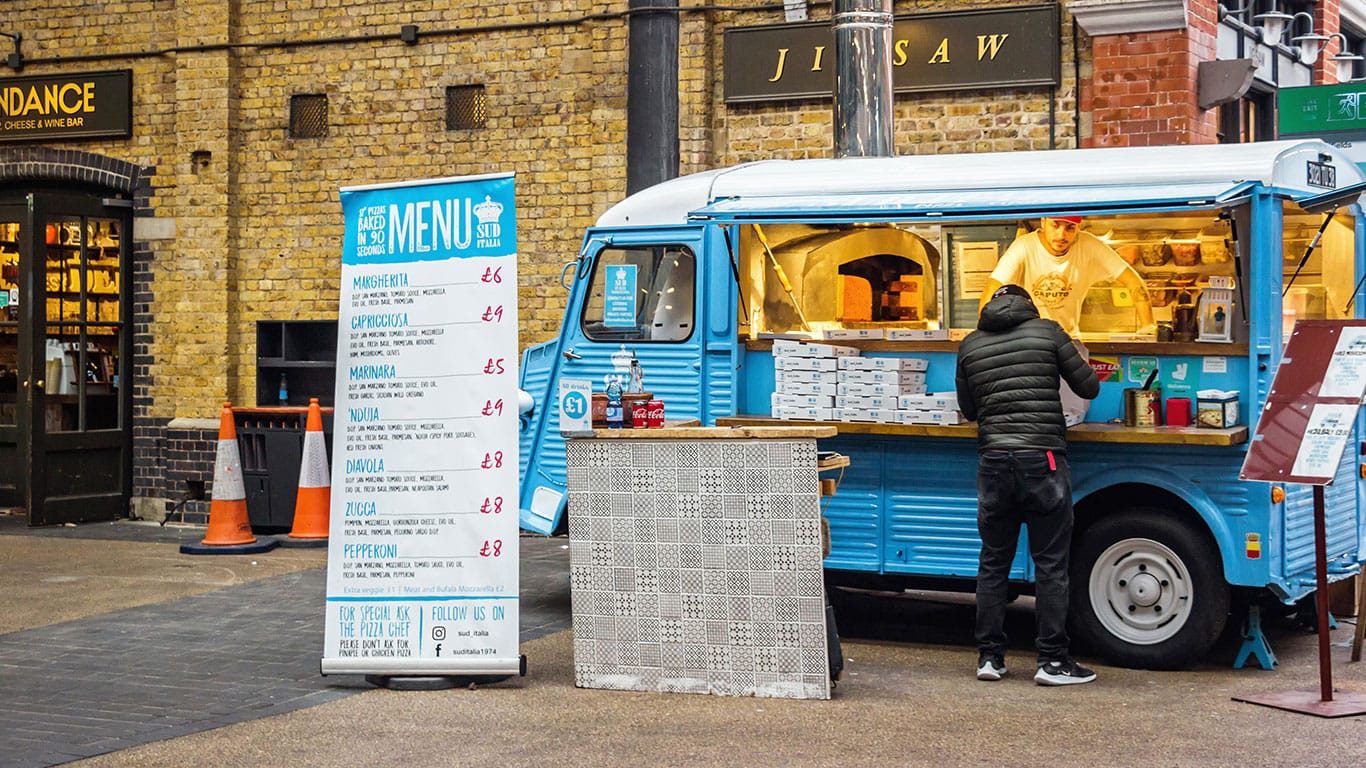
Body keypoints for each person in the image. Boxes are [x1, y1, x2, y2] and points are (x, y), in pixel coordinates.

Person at [955, 284, 1101, 686]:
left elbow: (968, 409)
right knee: (1051, 564)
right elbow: (1089, 386)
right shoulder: (1049, 331)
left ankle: (990, 658)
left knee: (993, 561)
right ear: (1028, 306)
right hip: (1044, 460)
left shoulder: (970, 344)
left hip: (994, 462)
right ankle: (1052, 662)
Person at [979, 216, 1154, 339]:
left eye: (1070, 228)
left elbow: (1132, 281)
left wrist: (1148, 326)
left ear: (1079, 227)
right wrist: (984, 334)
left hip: (1070, 339)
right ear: (1043, 221)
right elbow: (993, 287)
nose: (1062, 235)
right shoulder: (1024, 247)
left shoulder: (1089, 245)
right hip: (1029, 339)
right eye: (1055, 225)